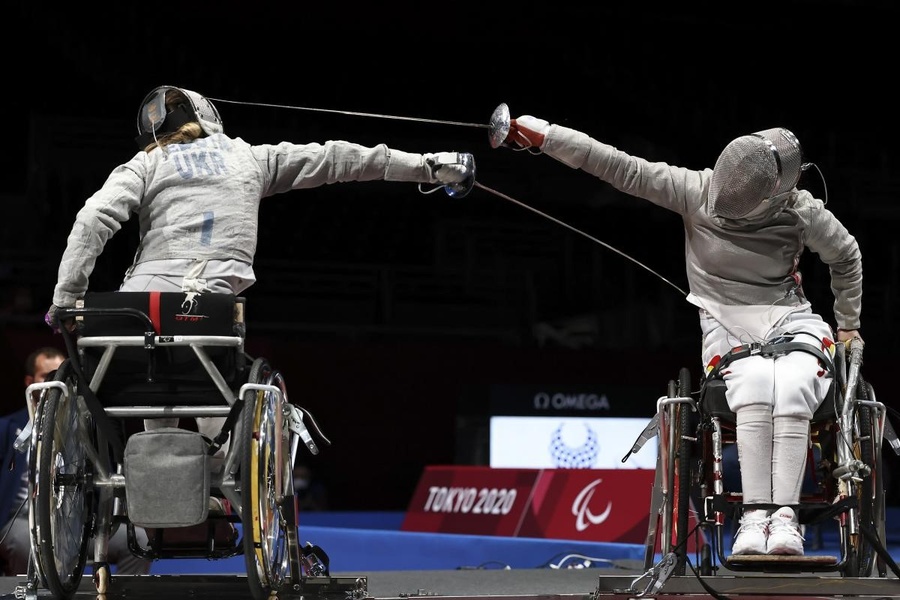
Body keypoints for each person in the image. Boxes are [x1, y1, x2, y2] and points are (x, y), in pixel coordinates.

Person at [499, 116, 862, 556]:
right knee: (753, 385)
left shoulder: (801, 210)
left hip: (789, 318)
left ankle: (784, 519)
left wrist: (848, 323)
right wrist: (546, 135)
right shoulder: (695, 189)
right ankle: (752, 517)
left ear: (775, 195)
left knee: (792, 384)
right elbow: (616, 164)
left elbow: (846, 256)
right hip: (726, 323)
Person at [44, 85, 475, 450]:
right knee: (217, 398)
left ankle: (158, 498)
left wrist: (66, 298)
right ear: (207, 115)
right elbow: (341, 159)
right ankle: (211, 495)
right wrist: (428, 165)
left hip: (135, 309)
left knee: (155, 403)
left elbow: (92, 219)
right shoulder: (249, 157)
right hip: (205, 307)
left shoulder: (147, 163)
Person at [0, 347, 151, 576]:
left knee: (138, 541)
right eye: (47, 377)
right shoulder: (7, 428)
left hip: (77, 522)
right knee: (28, 547)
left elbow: (105, 477)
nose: (55, 385)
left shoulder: (86, 428)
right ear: (30, 382)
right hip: (22, 521)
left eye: (60, 377)